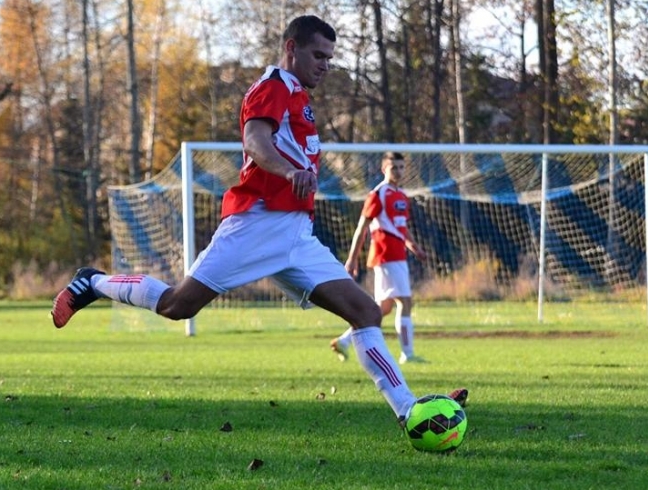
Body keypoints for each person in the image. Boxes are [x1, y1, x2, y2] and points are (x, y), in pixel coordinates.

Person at [50, 16, 466, 427]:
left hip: (296, 234)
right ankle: (93, 282)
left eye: (329, 58)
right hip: (256, 224)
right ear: (292, 48)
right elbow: (255, 141)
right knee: (177, 305)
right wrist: (288, 171)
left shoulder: (300, 97)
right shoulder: (271, 88)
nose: (325, 64)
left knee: (366, 312)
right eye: (318, 55)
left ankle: (409, 412)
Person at [330, 152, 428, 365]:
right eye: (394, 167)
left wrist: (414, 247)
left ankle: (344, 341)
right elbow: (362, 227)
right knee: (405, 302)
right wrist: (352, 259)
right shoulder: (378, 194)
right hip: (386, 255)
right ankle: (408, 354)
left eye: (402, 167)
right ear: (384, 169)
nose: (399, 171)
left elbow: (402, 228)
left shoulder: (401, 195)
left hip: (398, 256)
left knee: (381, 309)